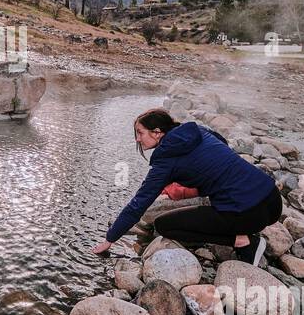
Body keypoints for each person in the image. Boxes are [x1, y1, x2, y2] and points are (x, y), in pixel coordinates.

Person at [89, 107, 282, 263]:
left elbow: (139, 204)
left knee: (164, 225)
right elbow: (221, 143)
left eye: (140, 133)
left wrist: (110, 239)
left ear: (157, 133)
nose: (137, 139)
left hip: (249, 213)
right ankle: (242, 229)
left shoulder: (164, 160)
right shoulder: (197, 130)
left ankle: (244, 242)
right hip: (272, 200)